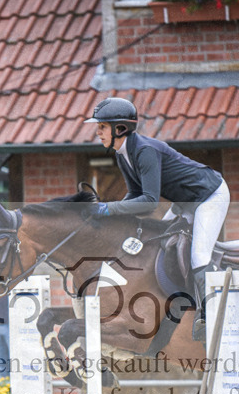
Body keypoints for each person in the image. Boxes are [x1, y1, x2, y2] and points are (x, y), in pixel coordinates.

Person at [85, 96, 230, 341]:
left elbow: (150, 201)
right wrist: (113, 215)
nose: (97, 132)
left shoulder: (144, 151)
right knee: (160, 242)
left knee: (199, 255)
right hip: (184, 201)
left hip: (208, 195)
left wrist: (108, 208)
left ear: (119, 129)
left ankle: (209, 314)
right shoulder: (123, 154)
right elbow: (134, 195)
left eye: (102, 126)